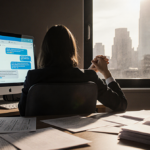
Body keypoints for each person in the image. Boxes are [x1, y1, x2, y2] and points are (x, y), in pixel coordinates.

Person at [18, 25, 127, 116]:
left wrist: (87, 74)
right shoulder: (90, 77)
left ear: (45, 50)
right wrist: (105, 73)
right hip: (81, 136)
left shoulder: (33, 76)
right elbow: (121, 104)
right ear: (71, 50)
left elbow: (23, 112)